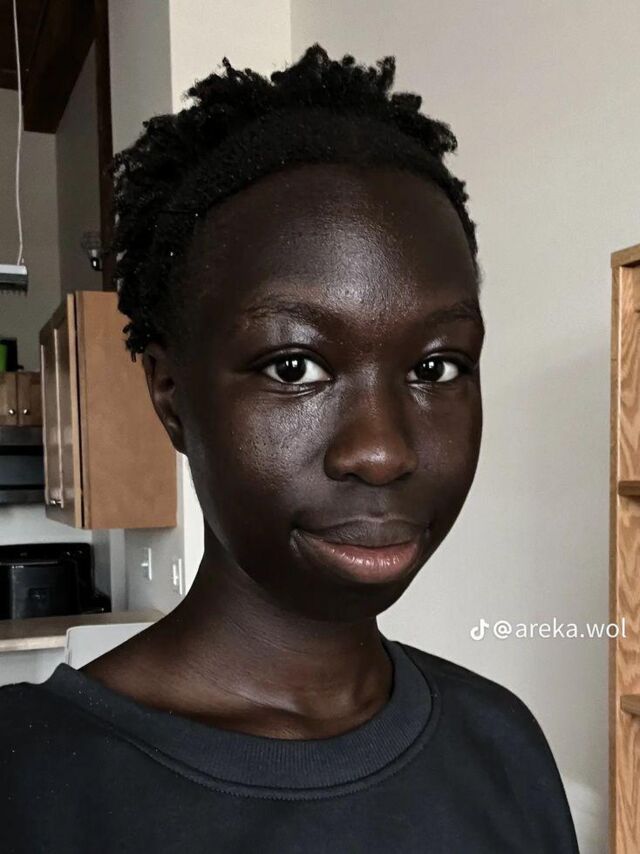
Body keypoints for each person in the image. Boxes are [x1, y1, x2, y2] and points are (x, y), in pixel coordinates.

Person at [0, 44, 580, 853]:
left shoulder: (504, 747)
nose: (382, 453)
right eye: (294, 366)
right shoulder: (28, 786)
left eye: (435, 367)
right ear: (170, 394)